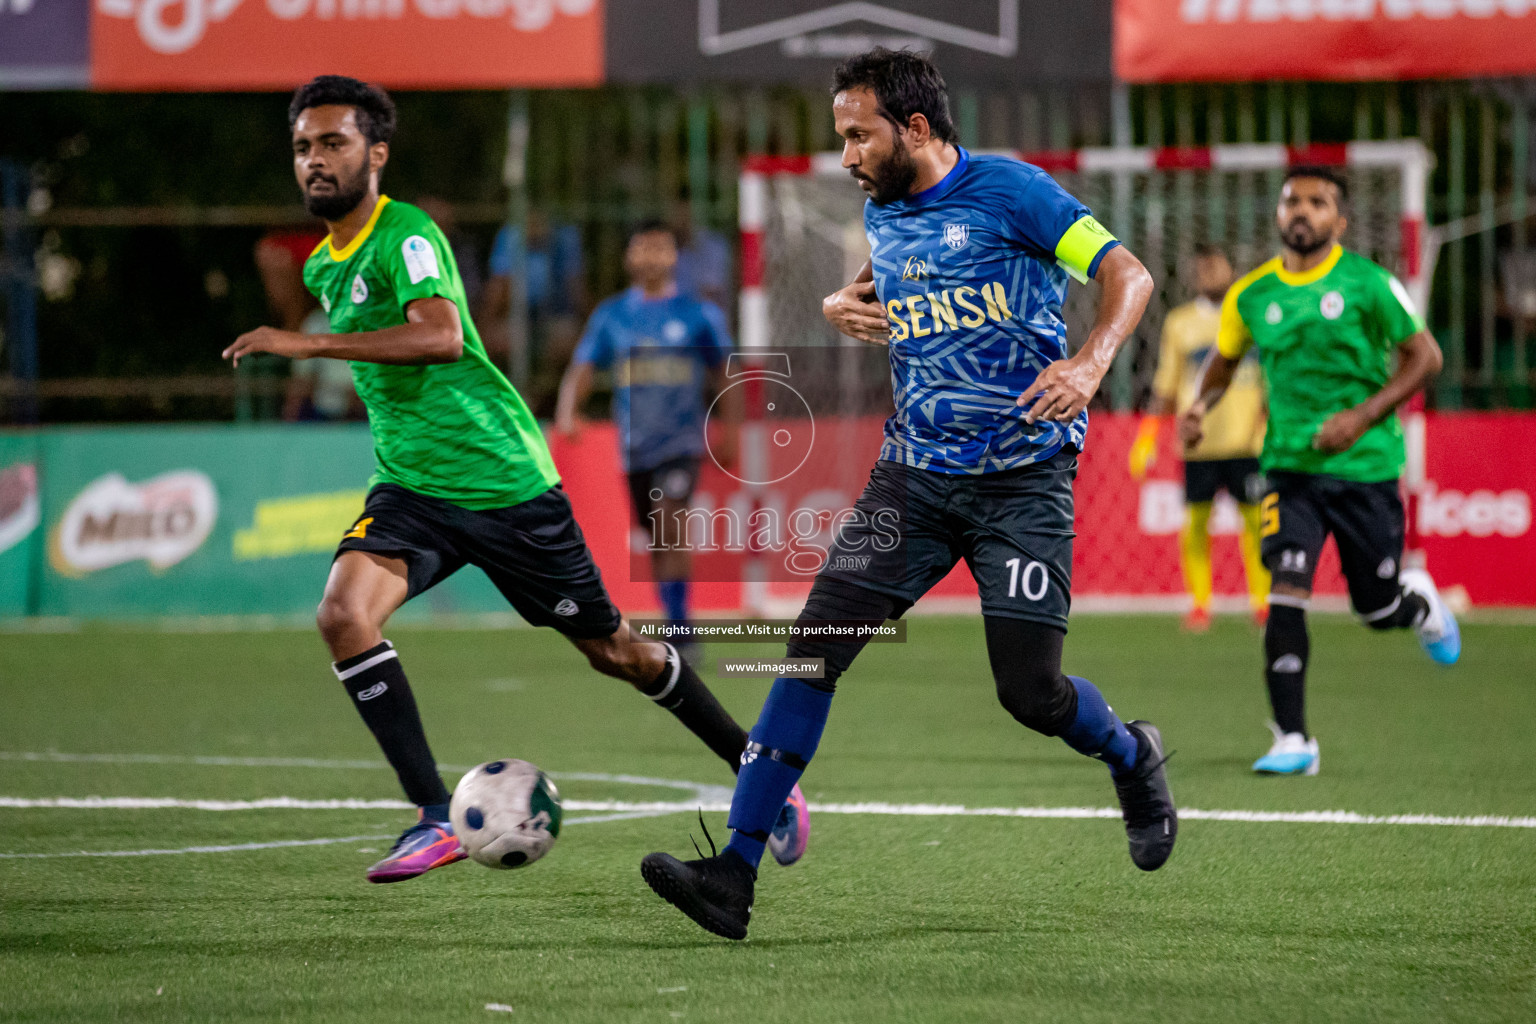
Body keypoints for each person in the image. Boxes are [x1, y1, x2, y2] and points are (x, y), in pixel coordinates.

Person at [639, 48, 1175, 941]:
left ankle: (1131, 752)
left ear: (914, 129)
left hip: (1022, 483)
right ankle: (732, 873)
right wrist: (839, 306)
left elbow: (1129, 274)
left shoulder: (1017, 193)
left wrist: (1089, 362)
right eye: (841, 138)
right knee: (812, 649)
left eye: (858, 135)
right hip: (913, 479)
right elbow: (908, 279)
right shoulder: (882, 209)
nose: (846, 155)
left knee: (1030, 695)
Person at [222, 75, 805, 883]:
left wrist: (307, 345)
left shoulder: (408, 235)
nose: (315, 160)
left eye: (333, 143)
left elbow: (441, 339)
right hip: (413, 490)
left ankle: (762, 775)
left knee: (617, 653)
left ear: (375, 153)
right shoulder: (326, 266)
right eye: (302, 147)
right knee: (343, 614)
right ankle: (433, 818)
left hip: (504, 486)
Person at [1180, 165, 1459, 778]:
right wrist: (1200, 405)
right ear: (1279, 215)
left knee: (1376, 609)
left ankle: (1419, 603)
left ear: (1341, 219)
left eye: (1317, 202)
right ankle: (1294, 739)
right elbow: (1225, 362)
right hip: (1289, 470)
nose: (1302, 211)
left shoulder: (1370, 284)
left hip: (1366, 467)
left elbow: (1425, 357)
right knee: (1286, 590)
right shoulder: (1252, 294)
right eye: (1292, 202)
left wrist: (1361, 416)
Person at [554, 222, 740, 666]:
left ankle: (681, 632)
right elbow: (583, 366)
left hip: (683, 443)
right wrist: (567, 411)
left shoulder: (699, 313)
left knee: (669, 519)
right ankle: (674, 618)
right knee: (656, 537)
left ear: (675, 257)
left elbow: (725, 372)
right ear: (629, 257)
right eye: (643, 248)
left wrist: (730, 428)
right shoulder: (613, 314)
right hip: (635, 445)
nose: (652, 256)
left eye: (661, 248)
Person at [1129, 244, 1269, 630]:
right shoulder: (1180, 323)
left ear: (1230, 268)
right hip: (1198, 442)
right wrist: (1147, 437)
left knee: (1256, 523)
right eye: (1201, 267)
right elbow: (1166, 386)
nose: (1208, 273)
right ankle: (1201, 603)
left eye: (1215, 265)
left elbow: (1270, 379)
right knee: (1195, 524)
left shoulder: (1251, 318)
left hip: (1246, 440)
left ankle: (1262, 602)